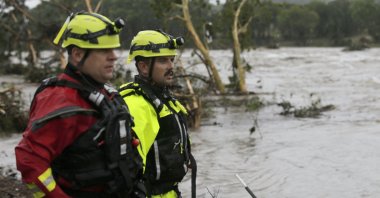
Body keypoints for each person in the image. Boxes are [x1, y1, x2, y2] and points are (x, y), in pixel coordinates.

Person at [15, 12, 145, 198]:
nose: (113, 57)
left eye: (114, 49)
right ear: (77, 54)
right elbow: (30, 161)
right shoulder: (60, 100)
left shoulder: (107, 93)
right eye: (104, 50)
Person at [119, 30, 197, 198]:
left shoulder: (162, 99)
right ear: (144, 66)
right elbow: (130, 171)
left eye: (171, 59)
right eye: (163, 61)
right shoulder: (137, 106)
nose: (171, 66)